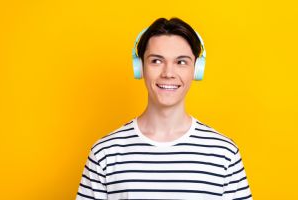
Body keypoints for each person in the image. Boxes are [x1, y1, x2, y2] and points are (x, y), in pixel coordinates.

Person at [76, 17, 252, 200]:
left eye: (181, 62)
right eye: (156, 61)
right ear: (140, 67)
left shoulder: (225, 154)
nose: (168, 73)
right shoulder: (105, 153)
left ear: (196, 70)